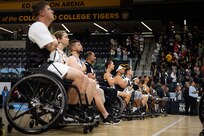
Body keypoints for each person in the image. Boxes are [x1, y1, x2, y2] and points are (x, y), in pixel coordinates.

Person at [27, 2, 93, 113]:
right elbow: (52, 47)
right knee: (79, 76)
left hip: (46, 64)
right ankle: (69, 111)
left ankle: (75, 107)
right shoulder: (37, 26)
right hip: (41, 65)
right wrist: (54, 41)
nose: (52, 11)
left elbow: (53, 44)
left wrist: (53, 39)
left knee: (82, 77)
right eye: (49, 9)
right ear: (42, 13)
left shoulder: (43, 28)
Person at [53, 31, 121, 124]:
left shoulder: (66, 55)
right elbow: (78, 72)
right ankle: (80, 109)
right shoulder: (69, 57)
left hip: (74, 78)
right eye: (66, 37)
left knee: (92, 84)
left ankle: (86, 109)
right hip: (63, 79)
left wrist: (84, 69)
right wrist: (84, 69)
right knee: (92, 84)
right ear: (59, 40)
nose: (68, 38)